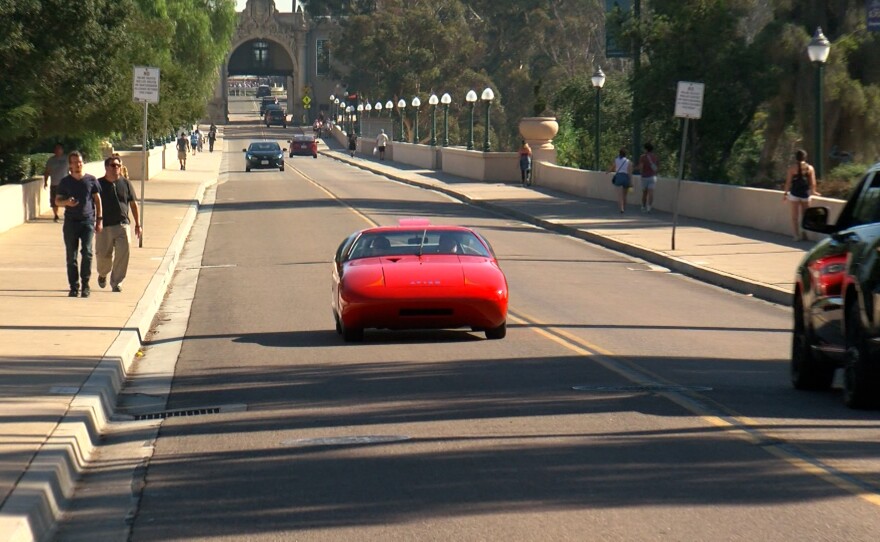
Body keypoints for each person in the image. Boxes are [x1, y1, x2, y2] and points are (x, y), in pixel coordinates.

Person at [55, 151, 103, 298]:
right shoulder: (65, 182)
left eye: (80, 161)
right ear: (70, 165)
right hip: (70, 222)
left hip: (87, 221)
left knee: (87, 253)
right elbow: (57, 201)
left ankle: (86, 285)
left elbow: (97, 200)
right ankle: (74, 287)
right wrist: (66, 203)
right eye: (75, 162)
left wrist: (99, 220)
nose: (78, 164)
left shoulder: (91, 180)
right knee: (72, 256)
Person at [96, 156, 141, 293]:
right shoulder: (98, 184)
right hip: (105, 226)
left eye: (118, 165)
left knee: (123, 254)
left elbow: (133, 204)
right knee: (103, 257)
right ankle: (103, 274)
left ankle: (117, 282)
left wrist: (138, 224)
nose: (116, 168)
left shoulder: (125, 183)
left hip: (122, 225)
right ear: (106, 167)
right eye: (113, 165)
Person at [783, 148, 819, 241]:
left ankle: (796, 235)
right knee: (805, 215)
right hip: (805, 194)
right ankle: (804, 232)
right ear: (805, 157)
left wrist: (785, 193)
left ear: (796, 157)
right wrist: (814, 191)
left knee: (795, 216)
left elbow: (788, 182)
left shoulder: (792, 168)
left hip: (795, 193)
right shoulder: (810, 168)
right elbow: (813, 182)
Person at [43, 143, 68, 222]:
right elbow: (47, 171)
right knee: (54, 201)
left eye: (59, 148)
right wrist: (45, 181)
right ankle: (56, 215)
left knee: (67, 200)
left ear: (62, 150)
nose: (57, 150)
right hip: (54, 183)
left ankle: (68, 215)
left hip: (65, 184)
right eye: (56, 149)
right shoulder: (51, 160)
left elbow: (71, 169)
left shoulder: (66, 159)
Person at [609, 147, 633, 214]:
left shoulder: (616, 160)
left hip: (619, 177)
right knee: (624, 195)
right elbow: (630, 173)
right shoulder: (629, 162)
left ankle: (621, 208)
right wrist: (631, 182)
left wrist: (608, 171)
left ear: (619, 153)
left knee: (619, 195)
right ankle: (624, 207)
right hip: (626, 177)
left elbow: (612, 167)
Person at [638, 142, 659, 212]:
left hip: (644, 177)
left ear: (646, 149)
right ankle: (649, 207)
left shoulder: (642, 157)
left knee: (644, 193)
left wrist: (641, 172)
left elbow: (641, 167)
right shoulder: (655, 157)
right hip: (652, 177)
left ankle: (643, 206)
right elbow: (657, 166)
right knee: (651, 192)